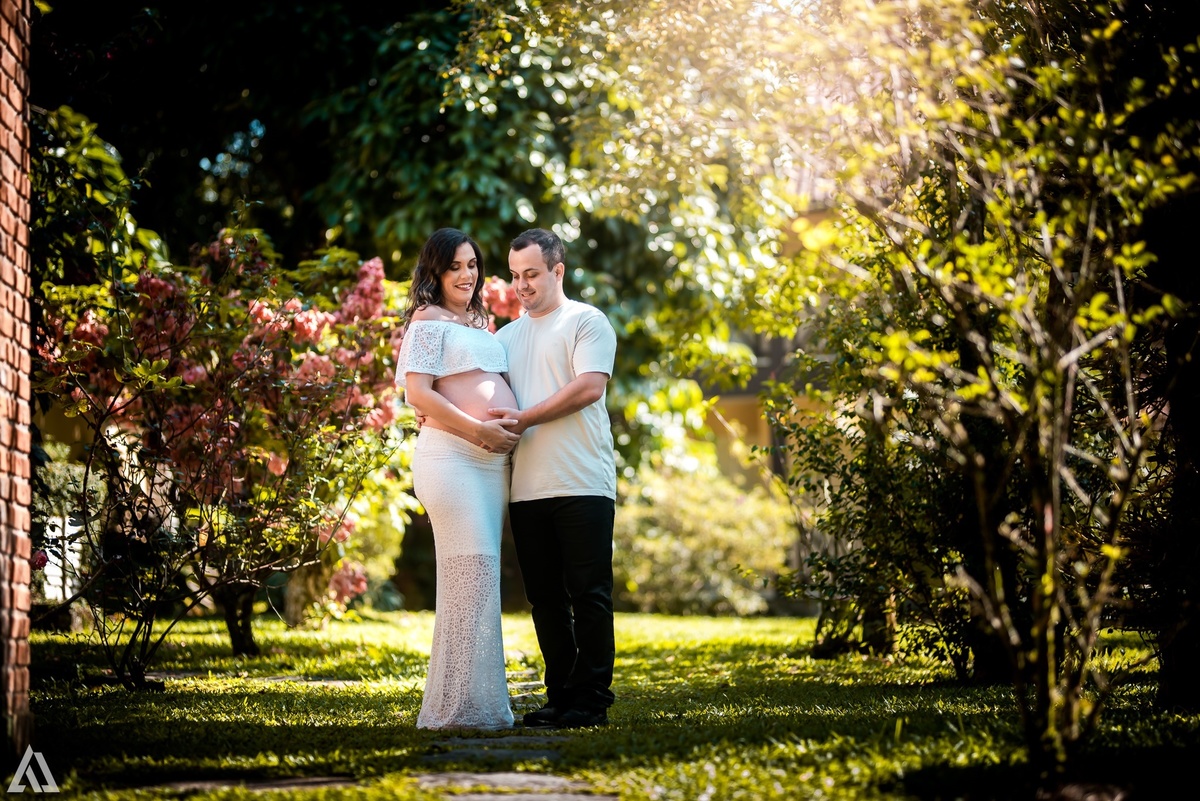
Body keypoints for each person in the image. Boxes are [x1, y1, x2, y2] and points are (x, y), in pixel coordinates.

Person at [487, 228, 618, 729]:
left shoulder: (586, 321)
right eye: (515, 275)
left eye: (532, 274)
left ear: (557, 271)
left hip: (583, 481)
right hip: (526, 489)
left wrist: (525, 418)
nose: (521, 285)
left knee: (589, 594)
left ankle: (591, 700)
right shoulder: (504, 337)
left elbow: (587, 388)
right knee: (545, 600)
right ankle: (561, 694)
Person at [395, 227, 521, 730]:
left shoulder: (479, 322)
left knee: (477, 580)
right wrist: (477, 431)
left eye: (472, 265)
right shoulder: (427, 320)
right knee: (473, 574)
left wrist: (496, 437)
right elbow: (417, 395)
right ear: (435, 272)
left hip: (491, 466)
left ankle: (474, 702)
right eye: (455, 267)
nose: (467, 275)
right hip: (452, 458)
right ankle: (458, 710)